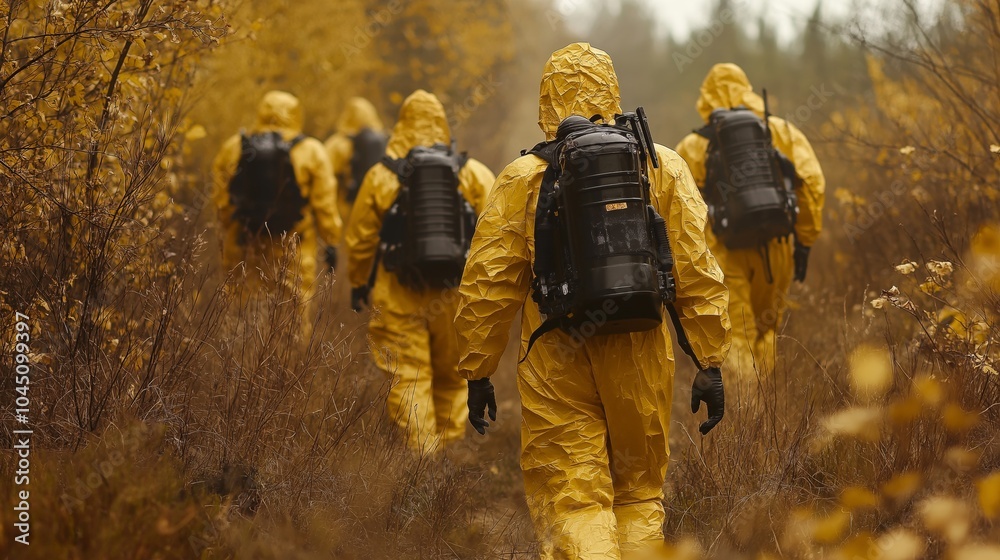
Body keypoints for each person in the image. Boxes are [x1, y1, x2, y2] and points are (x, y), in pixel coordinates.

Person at [454, 43, 731, 559]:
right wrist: (709, 361)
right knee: (638, 492)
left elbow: (487, 284)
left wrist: (478, 370)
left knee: (574, 497)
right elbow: (695, 269)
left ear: (546, 100)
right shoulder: (660, 165)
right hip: (640, 345)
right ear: (611, 90)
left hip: (556, 350)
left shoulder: (521, 178)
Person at [346, 90, 495, 453]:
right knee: (453, 375)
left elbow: (360, 240)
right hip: (455, 294)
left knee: (408, 376)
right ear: (442, 123)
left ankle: (422, 457)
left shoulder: (381, 175)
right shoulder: (473, 173)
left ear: (402, 124)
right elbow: (496, 237)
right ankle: (449, 452)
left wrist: (358, 282)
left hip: (400, 292)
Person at [675, 63, 825, 385]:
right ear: (747, 89)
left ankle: (750, 408)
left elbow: (681, 211)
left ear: (706, 97)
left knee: (737, 334)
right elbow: (811, 184)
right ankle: (770, 400)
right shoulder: (780, 131)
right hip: (776, 245)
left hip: (725, 252)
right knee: (768, 328)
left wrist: (690, 268)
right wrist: (805, 241)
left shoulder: (692, 146)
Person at [212, 90, 342, 309]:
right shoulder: (311, 151)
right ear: (296, 114)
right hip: (292, 248)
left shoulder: (234, 147)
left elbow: (221, 201)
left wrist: (230, 231)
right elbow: (324, 205)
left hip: (245, 245)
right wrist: (330, 241)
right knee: (292, 311)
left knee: (241, 308)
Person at [324, 97, 388, 224]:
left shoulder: (336, 144)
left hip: (343, 204)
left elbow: (324, 176)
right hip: (375, 205)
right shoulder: (384, 142)